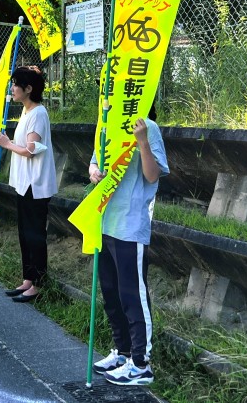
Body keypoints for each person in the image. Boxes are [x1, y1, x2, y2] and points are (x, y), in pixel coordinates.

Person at [89, 105, 168, 386]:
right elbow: (94, 161)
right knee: (111, 293)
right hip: (105, 221)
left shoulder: (147, 126)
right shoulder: (107, 122)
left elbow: (152, 175)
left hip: (130, 223)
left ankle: (141, 364)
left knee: (132, 294)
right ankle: (122, 353)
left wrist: (143, 141)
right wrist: (94, 171)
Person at [0, 66, 58, 303]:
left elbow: (31, 150)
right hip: (24, 184)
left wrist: (7, 144)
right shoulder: (26, 111)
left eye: (15, 84)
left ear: (28, 89)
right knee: (24, 233)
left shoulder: (38, 113)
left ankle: (39, 283)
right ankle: (28, 279)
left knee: (34, 235)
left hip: (35, 184)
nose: (12, 88)